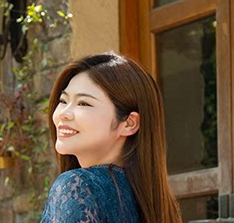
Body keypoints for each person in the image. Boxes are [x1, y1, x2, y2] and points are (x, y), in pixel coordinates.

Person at [40, 52, 182, 223]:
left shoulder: (78, 186)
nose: (63, 113)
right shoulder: (155, 206)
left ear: (129, 123)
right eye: (63, 101)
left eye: (83, 103)